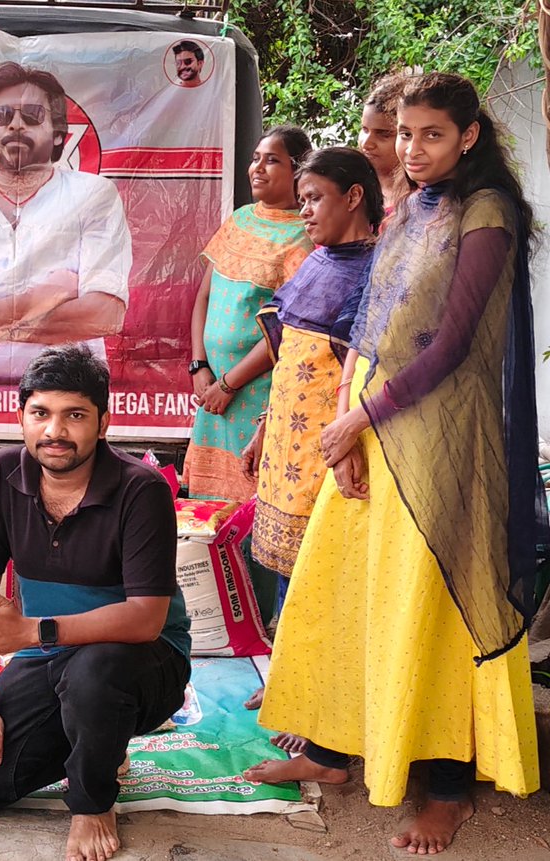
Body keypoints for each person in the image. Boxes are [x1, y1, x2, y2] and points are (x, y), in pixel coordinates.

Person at [245, 72, 545, 856]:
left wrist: (356, 419)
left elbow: (449, 345)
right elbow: (370, 326)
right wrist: (350, 423)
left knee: (432, 605)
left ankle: (445, 789)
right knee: (343, 588)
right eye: (405, 134)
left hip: (440, 432)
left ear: (470, 136)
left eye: (431, 135)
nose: (413, 151)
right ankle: (336, 750)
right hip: (373, 416)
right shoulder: (410, 205)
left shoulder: (488, 213)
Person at [0, 344, 190, 861]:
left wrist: (34, 631)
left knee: (96, 672)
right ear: (22, 419)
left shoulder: (140, 490)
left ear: (103, 423)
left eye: (74, 415)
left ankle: (93, 800)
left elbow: (146, 620)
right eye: (41, 414)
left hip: (145, 659)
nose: (54, 431)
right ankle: (99, 740)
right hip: (50, 655)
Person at [237, 147, 382, 717]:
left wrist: (348, 444)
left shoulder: (375, 270)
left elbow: (362, 370)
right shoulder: (318, 262)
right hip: (285, 449)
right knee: (285, 573)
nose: (305, 213)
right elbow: (289, 357)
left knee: (325, 574)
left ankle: (317, 701)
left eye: (315, 199)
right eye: (302, 202)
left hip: (334, 448)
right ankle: (285, 679)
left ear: (353, 197)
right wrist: (264, 429)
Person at [0, 62, 132, 385]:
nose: (16, 125)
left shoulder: (94, 196)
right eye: (1, 116)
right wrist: (42, 297)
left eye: (32, 115)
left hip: (68, 398)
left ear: (59, 134)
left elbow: (104, 315)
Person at [183, 126, 313, 503]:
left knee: (250, 495)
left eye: (272, 160)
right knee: (207, 510)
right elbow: (204, 296)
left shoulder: (304, 237)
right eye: (256, 158)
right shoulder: (238, 220)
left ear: (298, 170)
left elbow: (287, 330)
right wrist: (198, 366)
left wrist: (229, 384)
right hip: (211, 392)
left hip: (255, 394)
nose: (258, 167)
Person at [358, 73, 407, 212]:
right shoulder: (347, 184)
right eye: (364, 130)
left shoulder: (425, 194)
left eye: (383, 134)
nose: (367, 144)